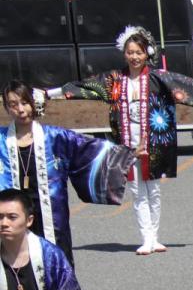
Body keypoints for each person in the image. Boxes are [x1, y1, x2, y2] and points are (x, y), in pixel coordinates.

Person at [47, 26, 193, 254]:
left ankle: (155, 237)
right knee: (136, 191)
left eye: (139, 52)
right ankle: (146, 237)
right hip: (127, 145)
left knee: (153, 190)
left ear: (147, 54)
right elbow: (83, 86)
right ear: (124, 53)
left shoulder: (158, 77)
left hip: (154, 143)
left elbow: (187, 84)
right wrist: (49, 93)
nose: (134, 57)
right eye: (130, 52)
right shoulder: (114, 79)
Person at [1, 80, 133, 267]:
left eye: (25, 102)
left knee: (56, 261)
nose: (21, 110)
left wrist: (128, 153)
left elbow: (89, 149)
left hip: (50, 214)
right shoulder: (1, 141)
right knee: (14, 261)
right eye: (13, 104)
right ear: (7, 108)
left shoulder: (55, 137)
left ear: (33, 103)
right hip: (11, 214)